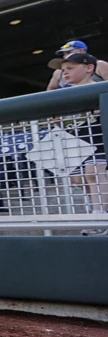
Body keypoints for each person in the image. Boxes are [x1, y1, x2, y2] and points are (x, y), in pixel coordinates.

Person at [53, 53, 107, 235]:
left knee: (94, 173)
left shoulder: (98, 87)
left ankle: (99, 216)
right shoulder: (64, 94)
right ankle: (98, 209)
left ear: (89, 68)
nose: (65, 73)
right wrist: (56, 121)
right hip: (77, 141)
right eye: (63, 70)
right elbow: (64, 123)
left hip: (97, 137)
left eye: (70, 68)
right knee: (80, 179)